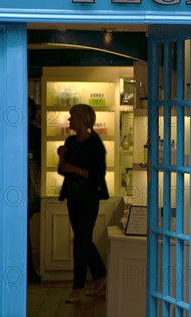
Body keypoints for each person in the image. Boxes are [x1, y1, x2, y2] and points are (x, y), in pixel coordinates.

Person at [57, 104, 108, 303]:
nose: (69, 121)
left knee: (81, 240)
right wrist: (61, 158)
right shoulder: (71, 141)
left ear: (82, 120)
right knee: (83, 238)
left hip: (88, 197)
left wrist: (74, 169)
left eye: (72, 117)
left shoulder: (95, 144)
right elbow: (62, 171)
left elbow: (97, 175)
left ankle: (77, 287)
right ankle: (101, 276)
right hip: (73, 196)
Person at [27, 97, 42, 283]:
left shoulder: (35, 132)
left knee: (23, 228)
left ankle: (28, 271)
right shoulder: (35, 132)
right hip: (28, 181)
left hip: (28, 181)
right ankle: (29, 272)